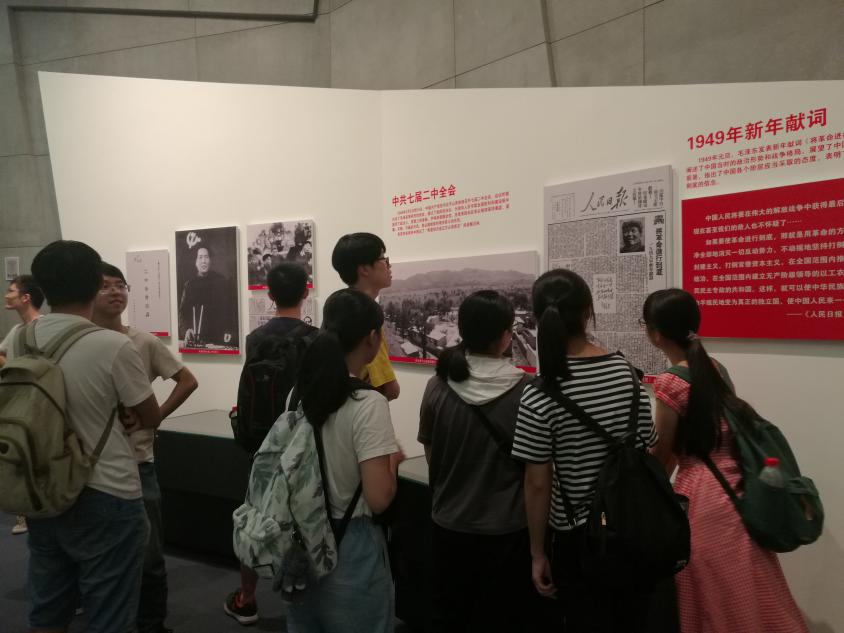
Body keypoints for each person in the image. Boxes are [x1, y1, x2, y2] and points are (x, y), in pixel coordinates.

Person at [6, 240, 161, 633]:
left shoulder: (20, 338)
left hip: (44, 485)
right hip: (107, 488)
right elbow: (149, 415)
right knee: (109, 614)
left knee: (48, 608)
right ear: (95, 285)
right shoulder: (113, 344)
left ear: (42, 287)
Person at [643, 288, 808, 633]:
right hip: (735, 485)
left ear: (655, 334)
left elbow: (663, 452)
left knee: (710, 590)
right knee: (745, 584)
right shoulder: (716, 368)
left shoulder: (670, 382)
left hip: (701, 494)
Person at [511, 269, 656, 633]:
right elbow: (646, 443)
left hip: (578, 537)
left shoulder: (540, 392)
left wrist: (537, 553)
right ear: (587, 311)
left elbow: (537, 483)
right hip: (632, 525)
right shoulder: (626, 372)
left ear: (538, 316)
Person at [419, 290, 547, 633]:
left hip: (448, 524)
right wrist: (538, 552)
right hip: (507, 531)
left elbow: (432, 454)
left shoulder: (437, 385)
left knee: (453, 616)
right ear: (506, 336)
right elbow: (536, 477)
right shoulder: (527, 391)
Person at [285, 288, 403, 633]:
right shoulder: (368, 404)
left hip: (302, 538)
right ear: (372, 338)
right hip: (351, 543)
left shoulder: (298, 393)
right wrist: (393, 459)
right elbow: (379, 498)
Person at [92, 262, 199, 633]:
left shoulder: (143, 341)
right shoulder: (81, 341)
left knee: (150, 553)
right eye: (105, 286)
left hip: (138, 461)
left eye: (120, 285)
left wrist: (156, 417)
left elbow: (187, 380)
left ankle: (151, 624)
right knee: (99, 553)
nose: (115, 292)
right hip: (91, 466)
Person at [224, 262, 318, 626]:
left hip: (263, 445)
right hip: (303, 444)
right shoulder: (315, 339)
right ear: (306, 292)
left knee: (256, 513)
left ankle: (247, 598)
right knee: (307, 515)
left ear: (269, 295)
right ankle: (307, 596)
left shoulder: (255, 339)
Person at [0, 274, 45, 535]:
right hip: (18, 403)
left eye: (12, 291)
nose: (7, 295)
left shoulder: (43, 326)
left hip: (39, 404)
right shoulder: (16, 330)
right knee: (19, 456)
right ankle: (24, 511)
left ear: (26, 297)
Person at [331, 232, 400, 401]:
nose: (389, 265)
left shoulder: (339, 307)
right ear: (364, 269)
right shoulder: (366, 316)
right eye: (384, 259)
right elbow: (390, 389)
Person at [178, 245, 237, 348]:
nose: (203, 261)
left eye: (206, 257)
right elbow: (183, 313)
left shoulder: (221, 281)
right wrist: (186, 330)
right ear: (195, 262)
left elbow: (230, 310)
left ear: (210, 260)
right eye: (200, 257)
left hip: (219, 338)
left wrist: (229, 330)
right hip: (197, 337)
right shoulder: (189, 285)